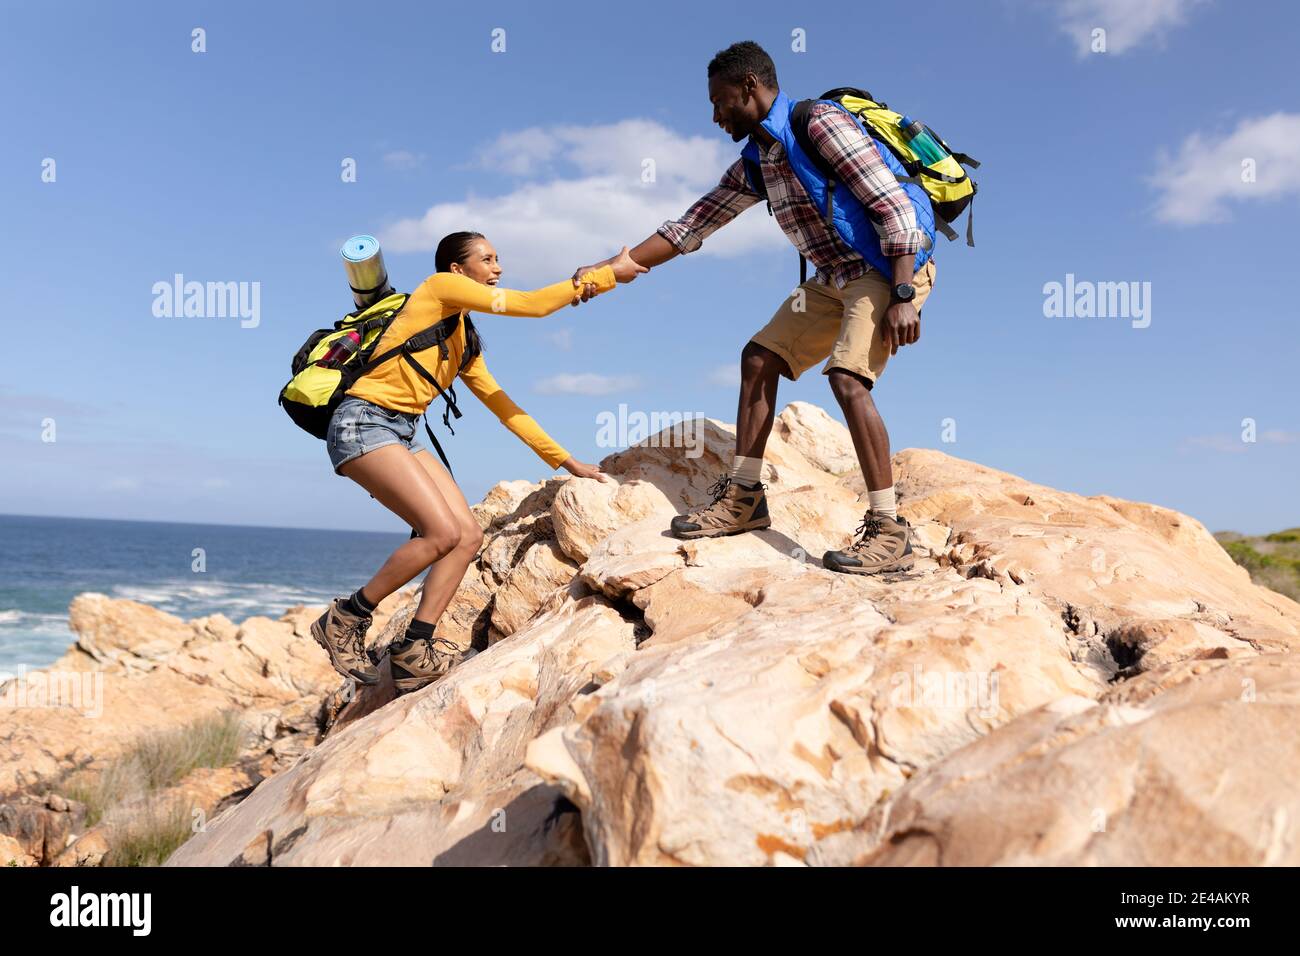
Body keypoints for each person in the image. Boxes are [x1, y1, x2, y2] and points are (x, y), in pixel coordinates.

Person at [574, 41, 938, 575]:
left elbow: (894, 208)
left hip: (888, 267)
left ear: (750, 86)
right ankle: (744, 498)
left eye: (720, 102)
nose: (715, 116)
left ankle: (889, 530)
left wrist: (904, 295)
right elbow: (691, 226)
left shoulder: (820, 125)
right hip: (834, 277)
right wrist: (612, 266)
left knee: (847, 379)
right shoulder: (756, 162)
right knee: (758, 357)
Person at [312, 233, 646, 693]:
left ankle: (414, 648)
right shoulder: (436, 289)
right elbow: (530, 305)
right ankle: (345, 617)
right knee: (442, 533)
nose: (498, 267)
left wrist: (568, 462)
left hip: (401, 431)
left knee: (467, 536)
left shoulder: (463, 337)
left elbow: (503, 405)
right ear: (457, 270)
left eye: (498, 259)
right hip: (363, 423)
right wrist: (608, 277)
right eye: (487, 259)